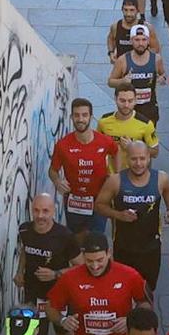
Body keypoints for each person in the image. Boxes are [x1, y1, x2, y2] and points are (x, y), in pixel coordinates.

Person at [95, 139, 169, 295]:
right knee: (123, 291)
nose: (138, 163)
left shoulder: (161, 178)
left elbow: (168, 191)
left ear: (149, 158)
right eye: (134, 159)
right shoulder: (115, 181)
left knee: (147, 291)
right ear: (127, 158)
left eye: (142, 158)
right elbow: (99, 205)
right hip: (124, 247)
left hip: (151, 247)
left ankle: (145, 318)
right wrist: (118, 215)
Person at [51, 99, 116, 236]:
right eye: (77, 115)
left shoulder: (105, 141)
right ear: (71, 117)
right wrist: (57, 181)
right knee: (76, 241)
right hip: (74, 202)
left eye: (84, 115)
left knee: (96, 240)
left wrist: (116, 175)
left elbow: (116, 153)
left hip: (99, 200)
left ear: (91, 117)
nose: (80, 119)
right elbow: (53, 171)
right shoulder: (62, 145)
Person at [14, 193, 78, 321]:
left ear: (53, 211)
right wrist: (20, 272)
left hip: (59, 292)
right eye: (36, 210)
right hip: (33, 291)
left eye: (45, 211)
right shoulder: (24, 230)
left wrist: (56, 274)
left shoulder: (65, 236)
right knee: (38, 333)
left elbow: (80, 266)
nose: (40, 216)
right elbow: (25, 250)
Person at [107, 23, 163, 126]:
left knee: (148, 138)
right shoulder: (123, 60)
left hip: (149, 107)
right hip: (128, 108)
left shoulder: (156, 59)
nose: (140, 43)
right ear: (131, 41)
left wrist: (162, 78)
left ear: (148, 41)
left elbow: (162, 74)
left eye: (144, 39)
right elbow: (110, 82)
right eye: (137, 40)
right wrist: (122, 81)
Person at [95, 86, 159, 168]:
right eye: (122, 101)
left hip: (134, 176)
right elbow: (97, 146)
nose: (126, 105)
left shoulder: (146, 124)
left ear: (135, 100)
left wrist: (132, 147)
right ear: (115, 99)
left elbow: (155, 152)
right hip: (111, 176)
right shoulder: (103, 122)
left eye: (130, 101)